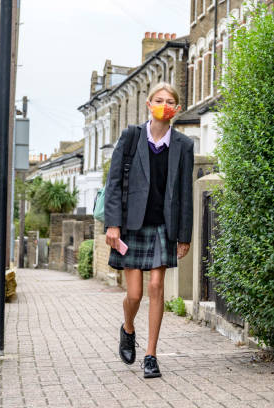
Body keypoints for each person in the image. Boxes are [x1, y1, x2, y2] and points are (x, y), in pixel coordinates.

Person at [103, 82, 194, 378]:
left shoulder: (184, 145)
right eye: (159, 100)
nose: (164, 105)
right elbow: (113, 183)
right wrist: (113, 224)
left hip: (162, 226)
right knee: (135, 294)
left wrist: (184, 235)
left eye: (169, 101)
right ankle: (128, 327)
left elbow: (185, 193)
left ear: (177, 110)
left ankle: (151, 355)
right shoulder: (130, 137)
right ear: (148, 104)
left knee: (156, 287)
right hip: (132, 225)